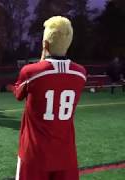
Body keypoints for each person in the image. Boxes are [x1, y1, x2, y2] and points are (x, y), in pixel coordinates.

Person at [9, 16, 86, 180]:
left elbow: (18, 94)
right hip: (66, 153)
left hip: (35, 154)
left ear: (45, 44)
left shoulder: (31, 71)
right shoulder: (81, 73)